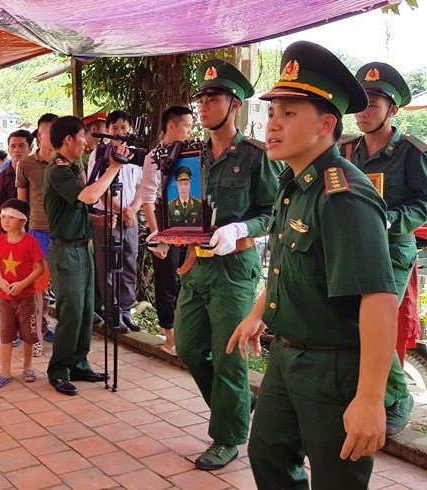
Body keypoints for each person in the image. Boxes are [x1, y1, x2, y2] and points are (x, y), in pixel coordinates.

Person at [227, 40, 398, 489]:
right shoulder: (295, 184)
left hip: (334, 369)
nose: (272, 125)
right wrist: (258, 312)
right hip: (288, 356)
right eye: (271, 113)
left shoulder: (343, 196)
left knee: (336, 479)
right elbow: (287, 263)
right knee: (267, 453)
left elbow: (379, 298)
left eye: (289, 114)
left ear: (326, 125)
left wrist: (369, 398)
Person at [176, 59, 282, 471]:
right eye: (201, 98)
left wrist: (240, 227)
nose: (204, 106)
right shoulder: (192, 154)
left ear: (234, 104)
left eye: (214, 98)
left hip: (234, 271)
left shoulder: (256, 155)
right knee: (188, 347)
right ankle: (239, 405)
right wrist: (170, 233)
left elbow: (273, 212)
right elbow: (182, 206)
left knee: (228, 357)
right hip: (198, 266)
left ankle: (227, 437)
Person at [340, 61, 427, 436]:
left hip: (392, 249)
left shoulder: (410, 152)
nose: (363, 111)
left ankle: (397, 394)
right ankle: (364, 392)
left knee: (370, 320)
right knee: (345, 315)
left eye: (373, 104)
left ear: (392, 110)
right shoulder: (344, 151)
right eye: (359, 103)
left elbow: (424, 203)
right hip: (352, 246)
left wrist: (391, 219)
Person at [43, 115, 128, 396]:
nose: (85, 142)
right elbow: (90, 196)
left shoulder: (72, 168)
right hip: (66, 252)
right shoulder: (57, 171)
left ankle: (78, 363)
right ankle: (59, 370)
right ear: (68, 140)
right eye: (82, 137)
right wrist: (114, 168)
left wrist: (99, 222)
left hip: (82, 248)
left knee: (86, 311)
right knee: (71, 313)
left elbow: (78, 208)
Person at [139, 105, 195, 356]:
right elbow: (148, 197)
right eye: (187, 126)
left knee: (187, 279)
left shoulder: (191, 153)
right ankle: (170, 338)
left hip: (189, 225)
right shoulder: (155, 156)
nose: (191, 131)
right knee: (167, 281)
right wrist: (157, 235)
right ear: (172, 126)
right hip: (165, 226)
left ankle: (185, 333)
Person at [87, 110, 144, 333]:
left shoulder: (136, 153)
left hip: (131, 217)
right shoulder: (100, 153)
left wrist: (133, 210)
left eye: (123, 127)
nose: (120, 132)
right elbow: (98, 188)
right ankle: (112, 313)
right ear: (108, 131)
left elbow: (143, 185)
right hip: (108, 217)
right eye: (115, 128)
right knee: (109, 264)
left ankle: (126, 311)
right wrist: (121, 211)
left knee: (130, 261)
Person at [0, 198, 45, 388]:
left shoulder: (30, 242)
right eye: (3, 216)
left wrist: (22, 284)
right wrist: (1, 281)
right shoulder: (0, 242)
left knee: (28, 334)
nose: (5, 221)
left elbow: (39, 269)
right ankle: (5, 371)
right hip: (5, 298)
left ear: (23, 220)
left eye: (11, 217)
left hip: (26, 297)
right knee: (6, 334)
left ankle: (27, 366)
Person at [17, 113, 58, 342]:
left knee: (61, 286)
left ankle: (51, 328)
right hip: (37, 231)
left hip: (63, 233)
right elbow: (22, 203)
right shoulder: (26, 165)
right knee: (35, 286)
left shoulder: (68, 161)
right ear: (40, 136)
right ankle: (35, 329)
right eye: (52, 132)